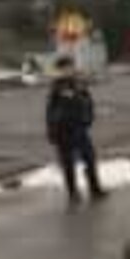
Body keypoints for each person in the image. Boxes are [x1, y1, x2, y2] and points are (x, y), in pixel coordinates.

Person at [45, 55, 107, 204]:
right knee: (68, 163)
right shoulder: (58, 86)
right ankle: (73, 193)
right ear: (60, 70)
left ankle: (95, 189)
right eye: (67, 68)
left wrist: (88, 118)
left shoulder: (77, 83)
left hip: (79, 128)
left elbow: (87, 101)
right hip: (63, 130)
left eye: (71, 67)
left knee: (90, 158)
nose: (70, 70)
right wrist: (51, 131)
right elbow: (50, 110)